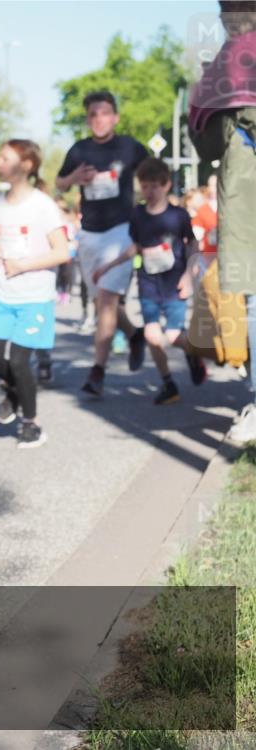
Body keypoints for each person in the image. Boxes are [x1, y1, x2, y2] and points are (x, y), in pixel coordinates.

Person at [189, 0, 256, 443]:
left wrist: (210, 103)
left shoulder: (226, 64)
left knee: (253, 302)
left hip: (246, 200)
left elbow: (207, 144)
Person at [0, 141, 75, 447]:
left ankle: (32, 423)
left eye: (5, 158)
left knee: (20, 362)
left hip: (35, 297)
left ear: (26, 165)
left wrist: (23, 265)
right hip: (4, 296)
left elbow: (62, 252)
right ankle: (14, 389)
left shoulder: (42, 205)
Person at [56, 91, 148, 397]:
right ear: (87, 119)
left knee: (107, 300)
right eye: (93, 114)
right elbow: (59, 183)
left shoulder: (129, 147)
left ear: (115, 117)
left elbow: (155, 173)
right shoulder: (79, 149)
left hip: (120, 229)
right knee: (101, 302)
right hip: (89, 233)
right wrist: (74, 177)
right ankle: (134, 334)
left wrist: (151, 208)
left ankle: (97, 370)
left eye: (105, 113)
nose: (99, 119)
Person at [92, 158, 207, 404]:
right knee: (153, 336)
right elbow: (135, 247)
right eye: (145, 186)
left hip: (174, 284)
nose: (149, 191)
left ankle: (193, 355)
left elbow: (192, 243)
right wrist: (108, 267)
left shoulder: (178, 215)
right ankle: (169, 384)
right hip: (148, 285)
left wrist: (190, 273)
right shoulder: (138, 215)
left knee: (174, 336)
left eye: (154, 186)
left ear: (166, 185)